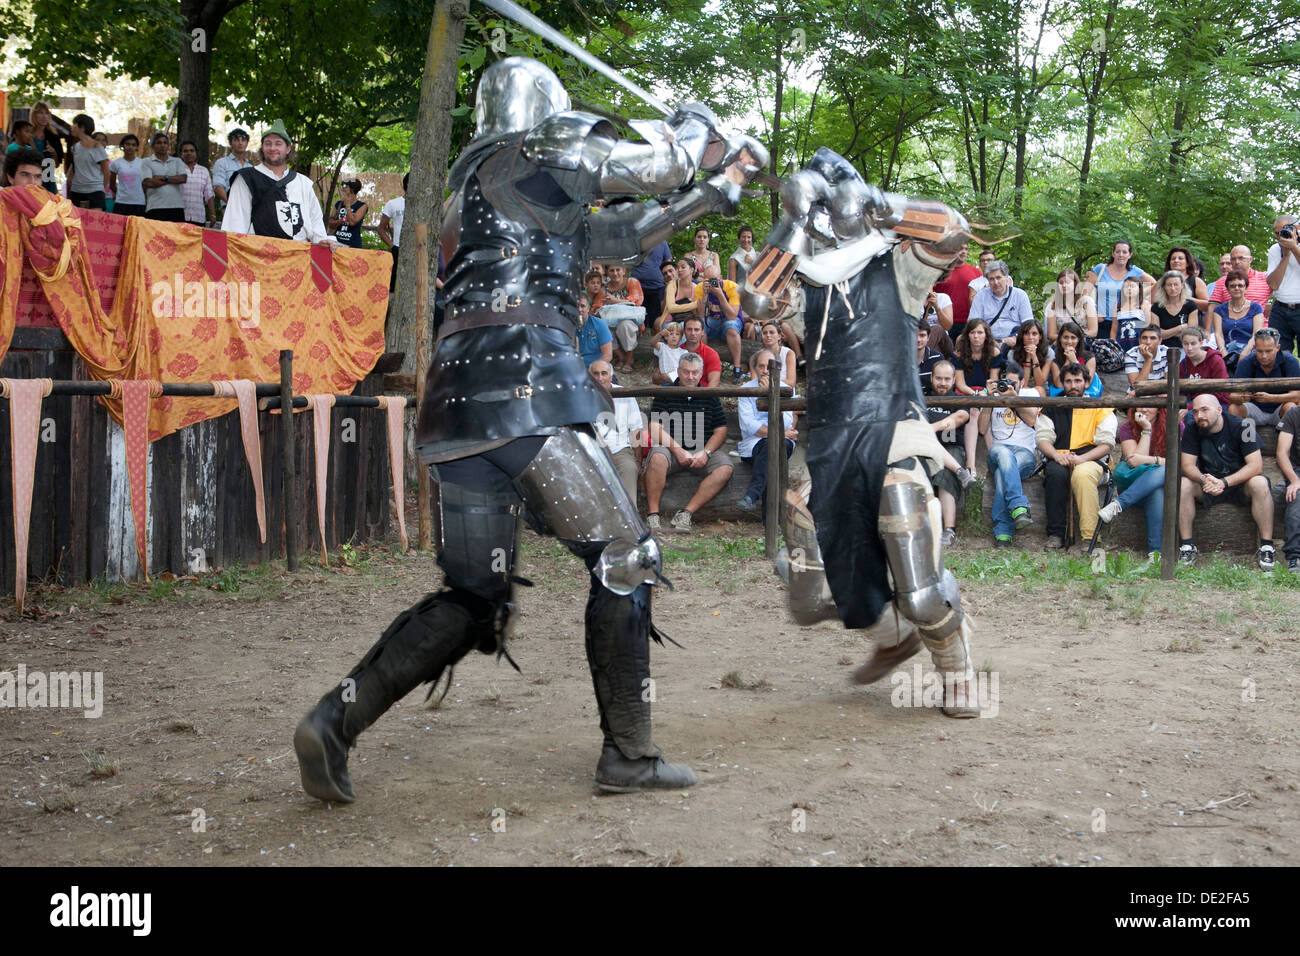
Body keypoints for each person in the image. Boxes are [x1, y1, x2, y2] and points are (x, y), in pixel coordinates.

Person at [293, 57, 765, 802]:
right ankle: (630, 758)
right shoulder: (540, 150)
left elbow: (616, 237)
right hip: (524, 388)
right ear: (542, 107)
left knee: (473, 593)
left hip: (457, 403)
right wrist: (700, 128)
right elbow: (657, 166)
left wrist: (724, 185)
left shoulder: (476, 192)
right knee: (625, 557)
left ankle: (333, 721)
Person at [738, 146, 981, 717]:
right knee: (807, 594)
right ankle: (893, 634)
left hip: (894, 429)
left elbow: (952, 230)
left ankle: (956, 667)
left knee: (920, 587)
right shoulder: (806, 287)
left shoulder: (899, 266)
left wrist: (878, 206)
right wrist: (792, 218)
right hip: (827, 441)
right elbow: (755, 297)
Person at [1178, 394, 1275, 570]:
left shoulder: (1243, 425)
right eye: (1196, 411)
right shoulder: (1192, 429)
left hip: (1239, 484)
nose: (1200, 416)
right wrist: (1203, 479)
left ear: (1219, 409)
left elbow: (1256, 466)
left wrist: (1224, 482)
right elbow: (1187, 465)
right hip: (1207, 483)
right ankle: (1187, 546)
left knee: (1260, 483)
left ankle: (1266, 546)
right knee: (1184, 484)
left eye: (1205, 410)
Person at [643, 352, 734, 532]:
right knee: (657, 457)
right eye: (686, 372)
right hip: (671, 450)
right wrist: (678, 450)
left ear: (701, 374)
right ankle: (653, 515)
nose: (690, 377)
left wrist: (706, 452)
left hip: (701, 450)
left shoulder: (710, 395)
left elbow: (720, 430)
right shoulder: (665, 392)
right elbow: (654, 426)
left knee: (725, 467)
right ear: (678, 371)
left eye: (695, 372)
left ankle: (685, 514)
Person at [1035, 363, 1115, 549]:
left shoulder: (1099, 407)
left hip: (1092, 461)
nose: (1073, 385)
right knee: (1055, 473)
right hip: (1059, 458)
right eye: (1068, 381)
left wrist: (1081, 460)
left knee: (1082, 474)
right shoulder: (1051, 407)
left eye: (1078, 381)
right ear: (1062, 383)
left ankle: (1090, 538)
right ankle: (1055, 534)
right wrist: (1056, 456)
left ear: (1087, 383)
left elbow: (1106, 445)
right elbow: (1043, 439)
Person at [222, 120, 329, 243]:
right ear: (262, 148)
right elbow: (234, 225)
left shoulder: (303, 183)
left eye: (278, 143)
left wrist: (322, 240)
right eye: (268, 143)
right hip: (259, 255)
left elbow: (316, 224)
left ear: (288, 148)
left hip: (298, 256)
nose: (272, 148)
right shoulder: (246, 179)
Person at [1097, 407, 1173, 562]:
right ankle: (1156, 554)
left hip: (1165, 486)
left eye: (1149, 405)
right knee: (1160, 479)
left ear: (1159, 409)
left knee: (1164, 475)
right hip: (1133, 485)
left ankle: (1118, 504)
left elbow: (1178, 463)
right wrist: (1146, 430)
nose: (1144, 409)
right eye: (1140, 405)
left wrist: (1153, 461)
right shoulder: (1127, 428)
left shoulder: (1175, 426)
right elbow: (1135, 463)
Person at [981, 359, 1041, 546]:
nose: (1007, 386)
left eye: (1013, 383)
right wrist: (990, 401)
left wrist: (1014, 399)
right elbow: (983, 429)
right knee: (1004, 454)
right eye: (1005, 382)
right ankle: (1018, 505)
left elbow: (1032, 420)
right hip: (998, 450)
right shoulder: (994, 396)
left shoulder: (1030, 393)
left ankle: (1003, 533)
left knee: (1002, 474)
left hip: (1025, 453)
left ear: (1022, 383)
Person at [735, 350, 798, 516]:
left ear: (777, 367)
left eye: (769, 366)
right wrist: (780, 434)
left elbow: (787, 421)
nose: (765, 370)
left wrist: (772, 394)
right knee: (773, 450)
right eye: (761, 366)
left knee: (774, 447)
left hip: (780, 443)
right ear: (755, 368)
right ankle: (773, 522)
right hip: (754, 446)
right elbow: (749, 426)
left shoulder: (786, 390)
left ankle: (751, 495)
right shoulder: (745, 390)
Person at [924, 360, 976, 547]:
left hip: (952, 449)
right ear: (931, 378)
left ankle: (949, 530)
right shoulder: (922, 398)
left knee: (946, 474)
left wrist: (930, 428)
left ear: (954, 380)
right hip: (924, 451)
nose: (942, 383)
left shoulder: (958, 400)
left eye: (947, 379)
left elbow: (960, 418)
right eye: (938, 378)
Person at [589, 359, 644, 500]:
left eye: (604, 373)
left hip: (620, 451)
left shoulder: (624, 394)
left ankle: (630, 519)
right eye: (595, 374)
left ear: (611, 376)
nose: (600, 378)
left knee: (629, 468)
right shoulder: (583, 396)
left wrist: (638, 461)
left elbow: (636, 429)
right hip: (592, 452)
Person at [952, 317, 1001, 471]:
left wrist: (984, 393)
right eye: (972, 332)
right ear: (967, 335)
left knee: (986, 409)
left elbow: (993, 381)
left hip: (987, 390)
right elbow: (960, 383)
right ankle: (971, 466)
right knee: (974, 410)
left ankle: (994, 458)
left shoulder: (994, 352)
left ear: (986, 335)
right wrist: (975, 394)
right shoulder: (959, 353)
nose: (976, 336)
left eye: (980, 332)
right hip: (966, 391)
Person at [1228, 328, 1300, 427]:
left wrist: (1271, 398)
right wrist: (1242, 398)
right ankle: (1241, 441)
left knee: (1291, 407)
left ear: (1278, 348)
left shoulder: (1290, 361)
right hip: (1254, 408)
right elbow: (1232, 396)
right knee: (1234, 409)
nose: (1264, 356)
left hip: (1279, 408)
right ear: (1254, 348)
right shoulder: (1246, 362)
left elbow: (1296, 396)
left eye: (1268, 351)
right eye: (1260, 351)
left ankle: (1290, 440)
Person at [1084, 239, 1156, 335]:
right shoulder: (1100, 269)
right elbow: (1085, 295)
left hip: (1124, 321)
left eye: (1124, 252)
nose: (1121, 254)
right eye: (1118, 251)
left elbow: (1154, 284)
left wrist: (1139, 294)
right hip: (1101, 322)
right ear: (1113, 253)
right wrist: (1092, 314)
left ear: (1130, 255)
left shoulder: (1134, 271)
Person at [694, 262, 744, 381]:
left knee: (730, 326)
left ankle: (737, 368)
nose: (711, 283)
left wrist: (720, 294)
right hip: (711, 322)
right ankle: (704, 366)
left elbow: (732, 316)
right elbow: (701, 315)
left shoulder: (732, 287)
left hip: (730, 321)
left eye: (714, 280)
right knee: (699, 325)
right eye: (708, 280)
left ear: (720, 278)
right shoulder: (700, 288)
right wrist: (705, 295)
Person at [969, 259, 1033, 347]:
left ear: (1006, 278)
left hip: (1015, 341)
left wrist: (1017, 337)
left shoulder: (1020, 295)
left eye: (998, 278)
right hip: (987, 341)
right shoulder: (980, 296)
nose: (995, 282)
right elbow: (973, 323)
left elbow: (1028, 324)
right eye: (991, 279)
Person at [1211, 270, 1266, 370]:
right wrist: (1224, 353)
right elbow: (1218, 334)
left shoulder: (1256, 308)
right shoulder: (1219, 310)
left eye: (1240, 285)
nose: (1236, 288)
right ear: (1227, 289)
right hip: (1226, 350)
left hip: (1250, 350)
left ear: (1246, 288)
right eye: (1232, 286)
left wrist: (1245, 352)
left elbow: (1256, 334)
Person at [600, 263, 645, 373]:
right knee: (602, 326)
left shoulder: (631, 282)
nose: (615, 273)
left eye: (618, 269)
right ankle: (621, 357)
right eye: (611, 270)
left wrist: (615, 301)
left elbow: (636, 300)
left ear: (624, 270)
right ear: (607, 272)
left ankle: (630, 358)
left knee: (625, 325)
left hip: (630, 320)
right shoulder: (604, 288)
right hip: (610, 319)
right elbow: (598, 305)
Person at [931, 241, 982, 335]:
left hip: (969, 321)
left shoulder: (976, 272)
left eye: (966, 249)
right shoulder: (941, 271)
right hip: (944, 321)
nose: (963, 252)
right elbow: (931, 295)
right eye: (960, 249)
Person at [1266, 215, 1300, 355]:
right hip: (1280, 308)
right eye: (1276, 233)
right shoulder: (1275, 250)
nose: (1280, 236)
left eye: (1284, 230)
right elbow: (1274, 284)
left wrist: (1294, 248)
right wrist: (1285, 255)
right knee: (1278, 354)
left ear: (1296, 228)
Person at [1211, 245, 1272, 319]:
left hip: (1259, 328)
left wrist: (1272, 309)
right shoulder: (1222, 282)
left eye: (1241, 258)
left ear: (1250, 259)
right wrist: (1207, 330)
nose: (1237, 262)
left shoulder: (1265, 277)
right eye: (1233, 259)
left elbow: (1282, 294)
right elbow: (1212, 308)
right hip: (1230, 328)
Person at [63, 113, 109, 209]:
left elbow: (106, 171)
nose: (71, 127)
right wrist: (70, 182)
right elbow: (73, 169)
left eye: (74, 124)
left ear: (82, 127)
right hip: (77, 191)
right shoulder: (75, 147)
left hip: (95, 191)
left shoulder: (97, 147)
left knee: (95, 221)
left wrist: (101, 189)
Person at [140, 132, 188, 222]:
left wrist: (163, 177)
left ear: (168, 145)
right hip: (155, 207)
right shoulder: (146, 162)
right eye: (159, 143)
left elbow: (183, 179)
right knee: (156, 236)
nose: (162, 145)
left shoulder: (177, 161)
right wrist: (173, 179)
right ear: (152, 146)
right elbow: (149, 183)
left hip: (176, 207)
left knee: (176, 236)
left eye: (165, 143)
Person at [1178, 326, 1230, 408]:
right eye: (1186, 344)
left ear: (1201, 343)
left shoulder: (1216, 360)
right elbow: (1180, 391)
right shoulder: (1183, 364)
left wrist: (1190, 407)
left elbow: (1220, 391)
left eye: (1193, 343)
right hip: (1190, 404)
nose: (1189, 348)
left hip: (1216, 403)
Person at [1276, 402, 1300, 573]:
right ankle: (1294, 558)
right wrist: (1294, 480)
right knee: (1296, 497)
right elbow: (1281, 453)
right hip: (1297, 471)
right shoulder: (1293, 414)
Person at [1047, 321, 1101, 397]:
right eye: (1065, 337)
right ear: (1060, 339)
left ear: (1078, 340)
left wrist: (1074, 361)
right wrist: (1067, 361)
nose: (1069, 341)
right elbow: (1059, 384)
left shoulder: (1089, 357)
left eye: (1073, 338)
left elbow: (1087, 383)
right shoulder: (1054, 359)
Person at [630, 239, 672, 335]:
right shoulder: (635, 241)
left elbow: (668, 262)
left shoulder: (662, 241)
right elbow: (626, 260)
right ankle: (638, 345)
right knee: (639, 321)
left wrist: (668, 278)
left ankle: (655, 344)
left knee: (656, 321)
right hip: (637, 286)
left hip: (657, 286)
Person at [1044, 268, 1098, 341]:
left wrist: (1074, 339)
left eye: (1067, 282)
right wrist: (1066, 340)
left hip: (1083, 345)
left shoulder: (1087, 302)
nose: (1064, 285)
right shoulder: (1052, 306)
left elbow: (1093, 331)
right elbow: (1051, 334)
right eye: (1061, 283)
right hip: (1061, 345)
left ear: (1075, 284)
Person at [1148, 270, 1199, 342]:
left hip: (1186, 348)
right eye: (1169, 285)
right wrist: (1180, 328)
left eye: (1176, 284)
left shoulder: (1191, 306)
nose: (1172, 288)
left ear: (1182, 285)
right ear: (1164, 287)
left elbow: (1191, 334)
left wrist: (1166, 333)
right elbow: (1156, 334)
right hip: (1162, 348)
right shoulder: (1156, 307)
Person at [212, 128, 253, 212]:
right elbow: (218, 186)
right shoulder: (222, 163)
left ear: (247, 143)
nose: (240, 143)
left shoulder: (251, 167)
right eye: (236, 140)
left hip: (249, 209)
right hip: (230, 208)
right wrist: (232, 204)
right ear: (230, 143)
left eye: (243, 140)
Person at [379, 172, 407, 293]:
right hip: (398, 249)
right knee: (394, 286)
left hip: (419, 249)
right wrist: (393, 247)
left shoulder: (426, 205)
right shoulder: (393, 204)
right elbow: (381, 229)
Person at [178, 140, 216, 226]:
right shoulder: (176, 169)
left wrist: (213, 215)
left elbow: (209, 194)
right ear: (181, 154)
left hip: (198, 216)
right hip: (180, 216)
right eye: (185, 151)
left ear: (196, 153)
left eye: (192, 151)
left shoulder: (204, 171)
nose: (189, 153)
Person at [29, 102, 63, 194]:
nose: (44, 116)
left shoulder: (53, 136)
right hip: (30, 179)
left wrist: (54, 153)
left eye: (46, 113)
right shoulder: (27, 134)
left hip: (48, 179)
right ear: (34, 115)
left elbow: (56, 165)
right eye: (40, 113)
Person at [108, 134, 146, 216]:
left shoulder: (143, 163)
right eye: (127, 144)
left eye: (133, 145)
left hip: (139, 202)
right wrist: (120, 193)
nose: (130, 147)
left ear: (137, 147)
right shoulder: (116, 163)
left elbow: (145, 183)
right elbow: (112, 184)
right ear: (122, 146)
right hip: (121, 202)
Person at [1010, 319, 1051, 393]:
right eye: (1026, 333)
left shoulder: (1048, 352)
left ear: (1040, 336)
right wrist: (1028, 358)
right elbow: (1023, 385)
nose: (1030, 337)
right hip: (1019, 390)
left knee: (1039, 389)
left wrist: (1034, 357)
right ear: (1022, 336)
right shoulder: (1012, 354)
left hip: (1041, 391)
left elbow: (1039, 383)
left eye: (1034, 334)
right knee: (1025, 389)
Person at [1125, 324, 1170, 389]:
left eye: (1152, 338)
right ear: (1139, 341)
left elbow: (1169, 384)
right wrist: (1148, 360)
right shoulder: (1131, 355)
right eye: (1144, 338)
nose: (1148, 342)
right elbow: (1136, 387)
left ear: (1160, 341)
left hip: (1160, 393)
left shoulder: (1167, 352)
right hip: (1137, 395)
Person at [576, 292, 613, 367]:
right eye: (576, 306)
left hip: (596, 367)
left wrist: (594, 369)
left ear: (588, 308)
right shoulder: (566, 325)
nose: (579, 310)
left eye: (582, 306)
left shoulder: (600, 324)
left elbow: (607, 355)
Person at [327, 178, 367, 248]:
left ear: (352, 189)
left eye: (346, 187)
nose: (343, 189)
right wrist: (341, 221)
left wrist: (348, 205)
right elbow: (330, 223)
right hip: (336, 244)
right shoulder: (339, 204)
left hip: (353, 246)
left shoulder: (362, 206)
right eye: (343, 187)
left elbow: (352, 222)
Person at [759, 319, 796, 388]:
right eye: (764, 333)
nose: (768, 335)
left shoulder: (789, 353)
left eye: (771, 332)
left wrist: (770, 382)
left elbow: (791, 382)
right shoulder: (757, 356)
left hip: (785, 392)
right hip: (762, 392)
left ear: (779, 336)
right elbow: (754, 381)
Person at [650, 320, 687, 384]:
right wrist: (660, 334)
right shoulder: (662, 347)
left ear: (681, 338)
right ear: (666, 337)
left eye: (677, 334)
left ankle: (677, 383)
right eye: (671, 334)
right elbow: (653, 343)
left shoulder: (683, 352)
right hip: (664, 378)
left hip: (677, 376)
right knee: (660, 376)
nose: (674, 336)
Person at [921, 287, 954, 354]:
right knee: (936, 350)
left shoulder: (943, 298)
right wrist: (928, 309)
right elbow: (920, 327)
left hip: (944, 341)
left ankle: (921, 356)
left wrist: (936, 307)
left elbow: (947, 326)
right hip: (922, 340)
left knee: (936, 329)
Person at [727, 225, 757, 290]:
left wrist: (752, 262)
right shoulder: (734, 259)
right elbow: (732, 285)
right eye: (743, 237)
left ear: (752, 239)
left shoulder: (758, 255)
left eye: (749, 237)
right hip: (743, 295)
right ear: (739, 238)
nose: (746, 240)